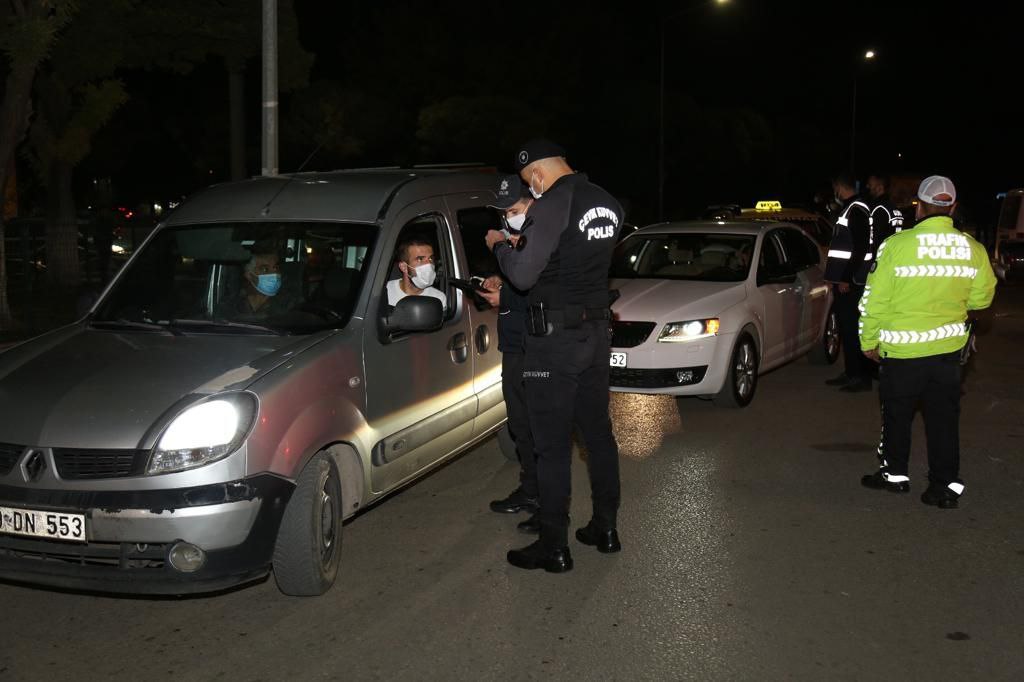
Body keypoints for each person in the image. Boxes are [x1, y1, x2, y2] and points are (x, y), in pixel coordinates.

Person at [485, 139, 623, 573]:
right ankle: (605, 528)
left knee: (551, 446)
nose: (533, 189)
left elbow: (523, 274)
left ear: (539, 175)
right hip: (596, 334)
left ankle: (553, 545)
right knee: (598, 436)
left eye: (531, 182)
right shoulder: (608, 202)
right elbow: (575, 260)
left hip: (554, 341)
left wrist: (500, 246)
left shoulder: (552, 203)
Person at [858, 175, 996, 509]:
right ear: (953, 207)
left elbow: (874, 301)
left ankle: (894, 476)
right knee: (943, 421)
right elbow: (982, 299)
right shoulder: (973, 249)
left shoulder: (896, 246)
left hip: (902, 353)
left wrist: (868, 340)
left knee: (896, 416)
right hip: (947, 354)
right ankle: (944, 487)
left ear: (919, 207)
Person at [482, 175, 542, 533]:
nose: (509, 217)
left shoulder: (544, 236)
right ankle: (530, 490)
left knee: (539, 428)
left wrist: (503, 294)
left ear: (532, 203)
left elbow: (540, 291)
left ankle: (547, 505)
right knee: (521, 425)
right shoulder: (520, 239)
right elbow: (518, 280)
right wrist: (500, 282)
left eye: (515, 209)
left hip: (536, 348)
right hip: (515, 346)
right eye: (504, 213)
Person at [823, 171, 873, 392]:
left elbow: (860, 248)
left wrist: (846, 278)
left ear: (840, 187)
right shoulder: (850, 208)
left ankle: (860, 377)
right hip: (846, 282)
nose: (834, 192)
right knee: (847, 329)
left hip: (851, 284)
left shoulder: (856, 210)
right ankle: (851, 372)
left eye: (835, 188)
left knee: (853, 330)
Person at [387, 239, 446, 307]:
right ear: (403, 267)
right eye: (420, 259)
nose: (429, 264)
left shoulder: (438, 298)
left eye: (430, 258)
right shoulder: (385, 291)